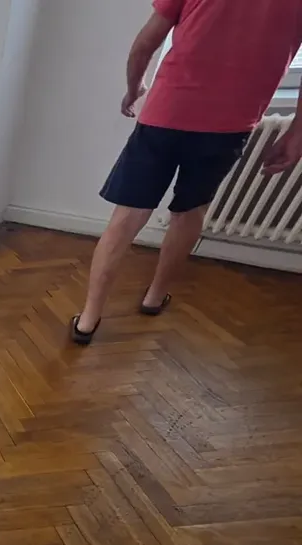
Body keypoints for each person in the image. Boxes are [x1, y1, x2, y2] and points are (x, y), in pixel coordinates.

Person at [71, 0, 302, 345]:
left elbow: (144, 44)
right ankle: (154, 297)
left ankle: (88, 319)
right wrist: (297, 133)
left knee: (128, 216)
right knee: (190, 211)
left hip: (166, 113)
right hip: (229, 126)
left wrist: (134, 89)